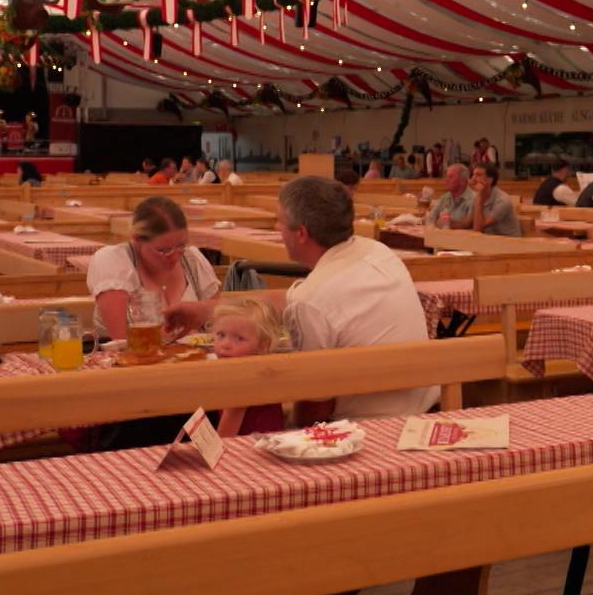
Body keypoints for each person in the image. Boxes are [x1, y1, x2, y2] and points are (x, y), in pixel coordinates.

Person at [169, 176, 435, 418]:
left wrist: (287, 428)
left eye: (280, 221)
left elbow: (315, 403)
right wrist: (205, 310)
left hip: (372, 427)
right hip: (425, 408)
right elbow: (290, 299)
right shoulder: (375, 251)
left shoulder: (313, 299)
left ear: (301, 233)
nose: (276, 227)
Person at [86, 197, 222, 343]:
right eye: (163, 250)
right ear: (137, 240)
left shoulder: (192, 259)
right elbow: (121, 342)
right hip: (130, 362)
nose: (174, 256)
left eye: (181, 245)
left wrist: (202, 310)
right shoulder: (114, 261)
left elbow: (222, 316)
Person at [211, 298, 292, 437]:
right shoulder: (234, 373)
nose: (225, 344)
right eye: (221, 335)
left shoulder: (246, 380)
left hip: (257, 451)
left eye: (238, 338)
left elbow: (224, 437)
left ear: (262, 346)